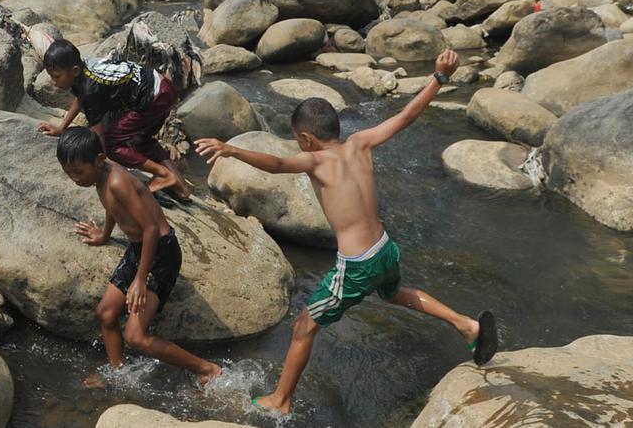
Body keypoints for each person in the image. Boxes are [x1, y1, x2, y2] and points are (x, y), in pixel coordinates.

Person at [195, 50, 498, 416]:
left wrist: (232, 150)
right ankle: (466, 325)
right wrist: (439, 77)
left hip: (358, 264)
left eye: (297, 139)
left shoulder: (316, 160)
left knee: (304, 327)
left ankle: (281, 400)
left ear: (306, 139)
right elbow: (406, 115)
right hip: (386, 249)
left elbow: (276, 164)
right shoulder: (360, 143)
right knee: (393, 293)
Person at [57, 127, 222, 387]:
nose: (75, 179)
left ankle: (206, 369)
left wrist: (140, 281)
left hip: (161, 252)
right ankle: (118, 373)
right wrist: (104, 234)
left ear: (99, 160)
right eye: (69, 173)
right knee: (106, 313)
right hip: (139, 248)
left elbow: (151, 229)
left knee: (136, 335)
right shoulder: (99, 177)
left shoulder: (117, 181)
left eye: (78, 172)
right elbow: (112, 207)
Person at [39, 38, 190, 199]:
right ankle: (181, 187)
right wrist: (62, 128)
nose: (53, 82)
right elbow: (80, 98)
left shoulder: (90, 89)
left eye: (56, 77)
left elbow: (99, 137)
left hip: (153, 98)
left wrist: (100, 167)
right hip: (162, 87)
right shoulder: (85, 68)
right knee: (143, 140)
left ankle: (162, 174)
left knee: (112, 144)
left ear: (74, 70)